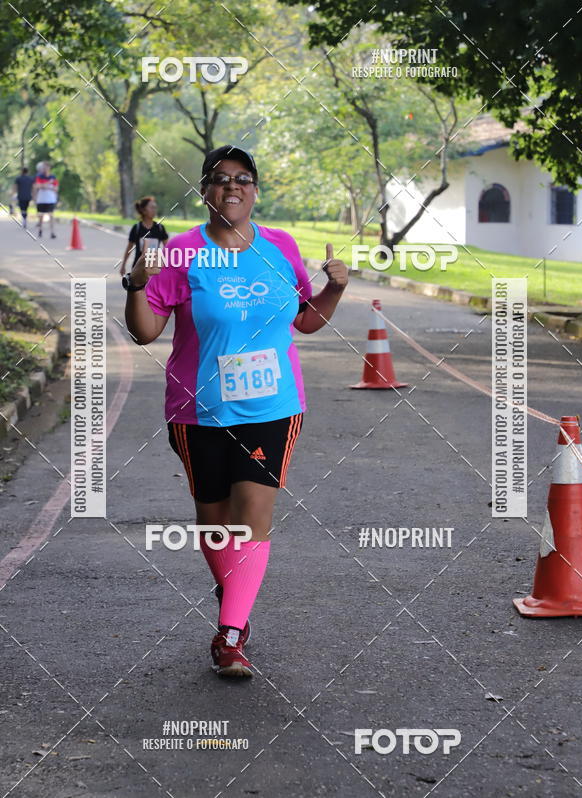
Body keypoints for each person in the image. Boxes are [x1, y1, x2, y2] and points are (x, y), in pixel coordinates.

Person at [123, 145, 348, 677]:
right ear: (205, 192)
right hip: (197, 412)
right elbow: (144, 332)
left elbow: (306, 320)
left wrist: (335, 287)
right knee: (215, 524)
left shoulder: (280, 246)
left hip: (273, 407)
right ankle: (236, 598)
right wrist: (135, 283)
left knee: (253, 519)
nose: (232, 186)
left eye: (243, 179)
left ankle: (229, 636)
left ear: (255, 190)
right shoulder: (180, 253)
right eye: (220, 179)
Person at [120, 196, 168, 276]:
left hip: (154, 268)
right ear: (143, 210)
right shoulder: (137, 228)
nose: (154, 210)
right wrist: (123, 265)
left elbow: (168, 248)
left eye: (155, 208)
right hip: (138, 268)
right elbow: (129, 248)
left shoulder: (160, 228)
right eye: (152, 208)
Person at [32, 161, 59, 238]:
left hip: (51, 199)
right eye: (43, 167)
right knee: (41, 216)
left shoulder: (53, 177)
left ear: (49, 168)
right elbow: (37, 186)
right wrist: (49, 185)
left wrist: (45, 186)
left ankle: (52, 232)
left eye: (45, 167)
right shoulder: (39, 176)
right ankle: (40, 229)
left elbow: (56, 188)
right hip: (41, 199)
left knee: (51, 215)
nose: (44, 169)